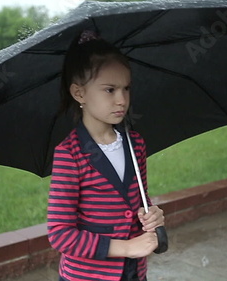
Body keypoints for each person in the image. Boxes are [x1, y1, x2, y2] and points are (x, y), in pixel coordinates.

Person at [47, 30, 165, 281]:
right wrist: (126, 247)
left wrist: (152, 214)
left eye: (126, 88)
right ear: (79, 93)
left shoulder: (135, 144)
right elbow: (60, 234)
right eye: (110, 90)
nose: (122, 99)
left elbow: (137, 201)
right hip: (87, 275)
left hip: (134, 273)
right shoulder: (70, 154)